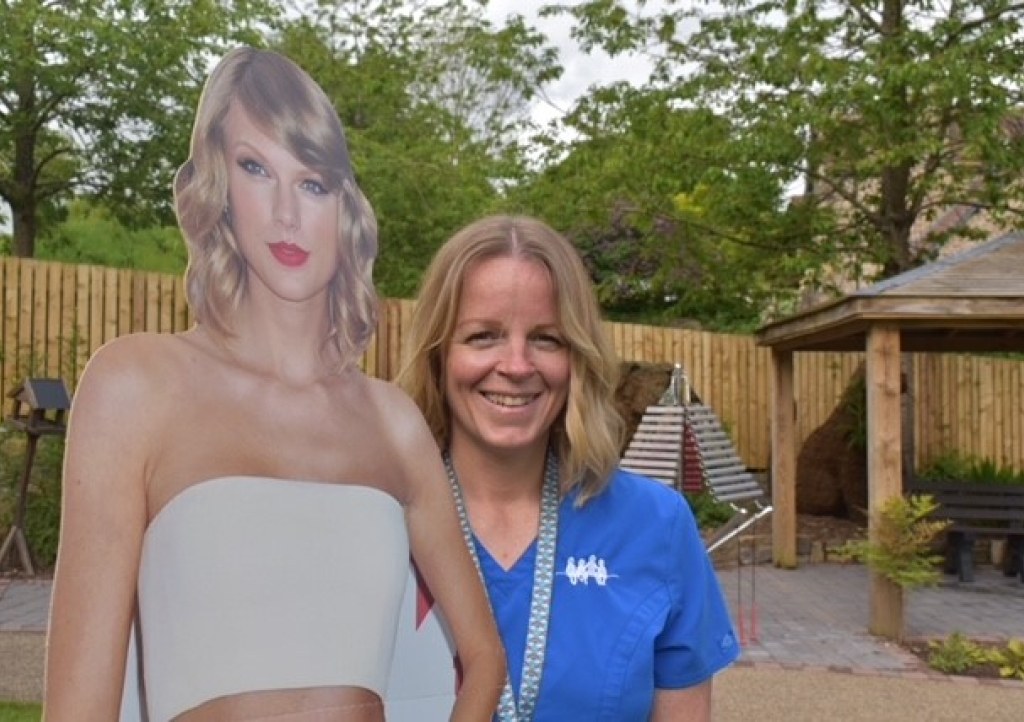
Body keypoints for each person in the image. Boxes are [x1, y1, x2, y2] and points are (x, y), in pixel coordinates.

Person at [43, 47, 505, 722]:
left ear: (343, 206)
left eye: (313, 182)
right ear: (218, 184)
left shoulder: (392, 421)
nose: (288, 213)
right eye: (256, 169)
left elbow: (485, 657)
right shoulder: (135, 386)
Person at [398, 215, 739, 721]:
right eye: (483, 336)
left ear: (577, 356)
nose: (516, 366)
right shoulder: (377, 525)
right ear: (438, 355)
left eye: (546, 339)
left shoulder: (656, 527)